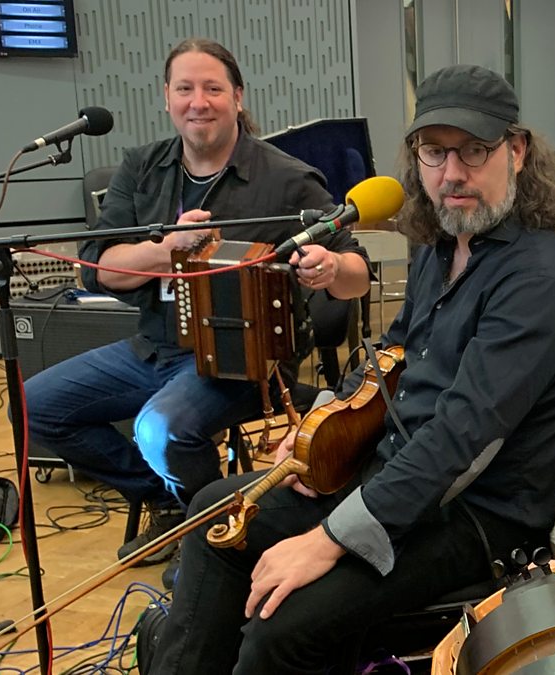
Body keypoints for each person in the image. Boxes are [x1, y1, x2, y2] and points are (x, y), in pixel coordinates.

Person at [144, 64, 555, 674]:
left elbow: (460, 439)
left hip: (477, 514)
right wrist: (320, 437)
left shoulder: (540, 280)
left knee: (283, 626)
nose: (452, 173)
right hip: (398, 473)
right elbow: (391, 355)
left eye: (474, 150)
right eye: (434, 152)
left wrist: (328, 538)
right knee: (212, 516)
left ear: (516, 151)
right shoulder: (442, 243)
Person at [23, 37, 372, 568]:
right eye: (185, 89)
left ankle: (216, 540)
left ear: (237, 97)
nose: (198, 102)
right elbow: (99, 267)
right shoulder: (142, 168)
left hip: (243, 364)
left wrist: (331, 268)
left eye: (213, 89)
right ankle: (179, 506)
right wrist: (166, 248)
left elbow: (358, 275)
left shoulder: (287, 179)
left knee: (159, 430)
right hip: (153, 348)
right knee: (34, 406)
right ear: (166, 97)